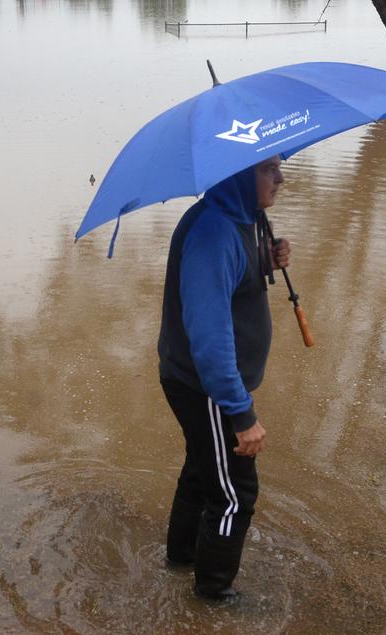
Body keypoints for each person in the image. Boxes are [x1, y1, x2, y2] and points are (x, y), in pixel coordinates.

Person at [157, 156, 289, 601]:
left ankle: (181, 557)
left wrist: (266, 260)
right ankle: (214, 597)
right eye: (268, 169)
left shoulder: (245, 218)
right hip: (207, 385)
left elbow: (235, 287)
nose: (280, 178)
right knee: (235, 493)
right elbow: (210, 337)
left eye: (279, 166)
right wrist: (241, 413)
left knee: (202, 470)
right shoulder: (213, 234)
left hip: (205, 381)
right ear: (237, 172)